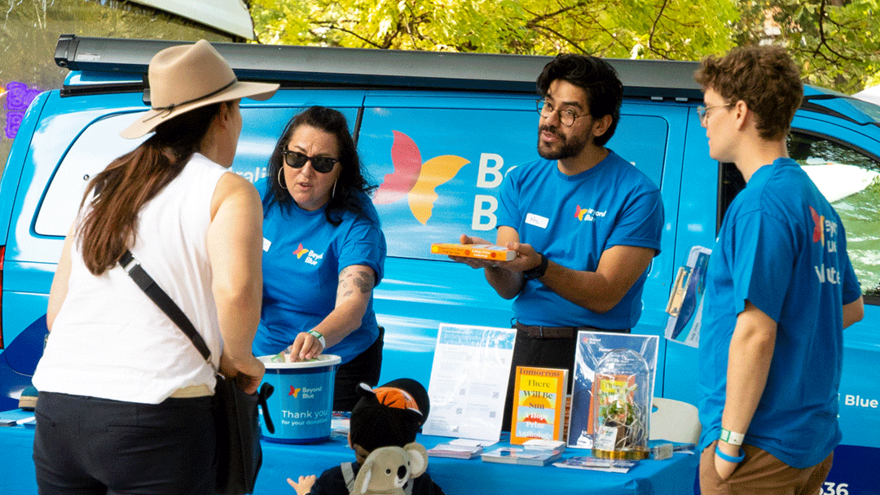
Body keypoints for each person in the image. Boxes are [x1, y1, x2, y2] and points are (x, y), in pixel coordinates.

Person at [31, 40, 277, 494]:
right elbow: (236, 292)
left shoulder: (107, 186)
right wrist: (241, 360)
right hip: (156, 419)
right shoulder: (227, 190)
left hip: (59, 413)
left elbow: (56, 312)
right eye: (238, 109)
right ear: (223, 113)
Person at [451, 54, 664, 429]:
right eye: (548, 105)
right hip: (528, 348)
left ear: (601, 125)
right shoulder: (520, 181)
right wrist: (492, 262)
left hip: (603, 358)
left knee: (589, 481)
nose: (549, 120)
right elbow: (510, 286)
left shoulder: (637, 194)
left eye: (568, 113)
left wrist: (539, 265)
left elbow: (605, 294)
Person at [693, 45, 864, 494]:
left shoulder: (761, 205)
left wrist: (728, 446)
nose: (704, 121)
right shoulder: (816, 203)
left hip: (757, 443)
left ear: (741, 112)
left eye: (709, 110)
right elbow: (850, 307)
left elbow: (756, 334)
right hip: (808, 440)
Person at [253, 106, 387, 411]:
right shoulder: (260, 196)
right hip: (264, 354)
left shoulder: (357, 221)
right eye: (296, 158)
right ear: (282, 155)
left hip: (334, 362)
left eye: (322, 163)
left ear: (340, 169)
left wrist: (318, 336)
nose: (306, 171)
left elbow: (353, 306)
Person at [288, 379, 445, 495]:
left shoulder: (335, 479)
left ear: (350, 439)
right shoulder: (420, 484)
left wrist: (305, 492)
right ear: (412, 449)